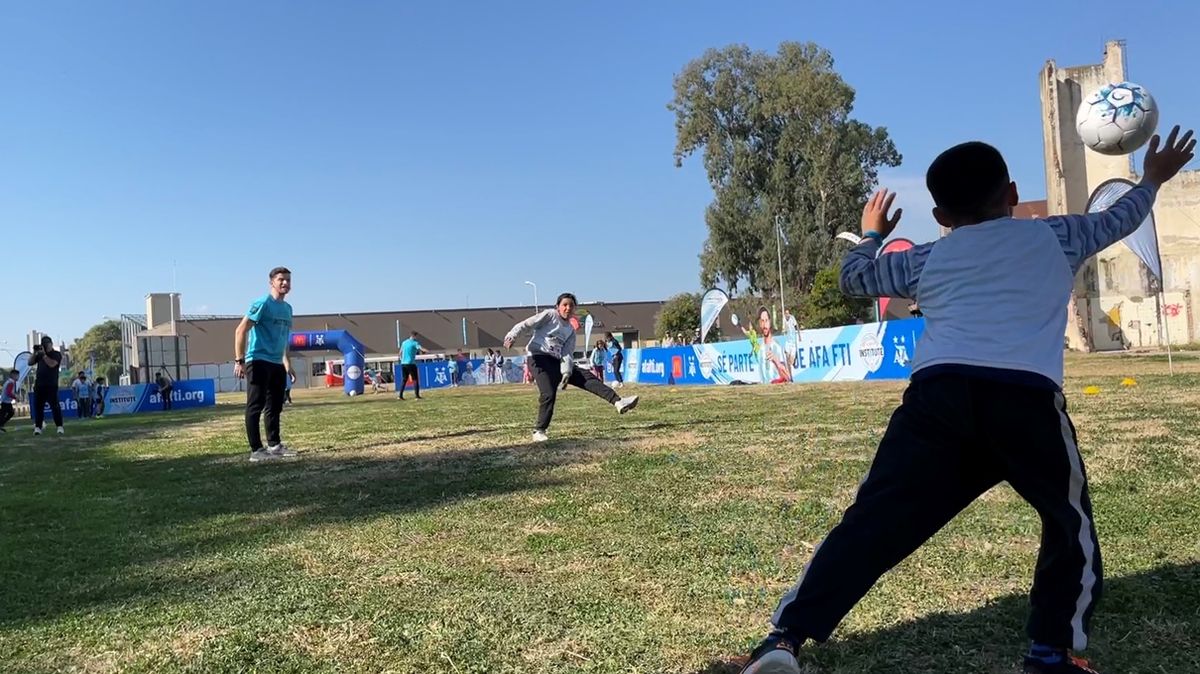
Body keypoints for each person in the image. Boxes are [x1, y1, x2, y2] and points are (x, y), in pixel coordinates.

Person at [736, 127, 1196, 674]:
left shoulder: (925, 259)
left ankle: (785, 638)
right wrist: (1151, 179)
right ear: (1012, 193)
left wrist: (871, 234)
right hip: (1025, 403)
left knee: (873, 522)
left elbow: (854, 278)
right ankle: (1050, 654)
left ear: (940, 216)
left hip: (938, 401)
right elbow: (1120, 218)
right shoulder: (1059, 235)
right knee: (1068, 525)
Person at [503, 292, 639, 442]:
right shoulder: (550, 315)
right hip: (538, 358)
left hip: (555, 361)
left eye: (571, 306)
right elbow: (526, 324)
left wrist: (567, 372)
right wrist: (511, 336)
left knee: (587, 377)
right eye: (564, 305)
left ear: (574, 309)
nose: (568, 308)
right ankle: (539, 431)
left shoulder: (570, 331)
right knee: (548, 392)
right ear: (558, 306)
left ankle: (618, 402)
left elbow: (567, 354)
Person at [234, 266, 296, 462]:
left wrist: (287, 363)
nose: (285, 283)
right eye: (281, 279)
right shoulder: (262, 303)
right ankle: (256, 450)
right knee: (256, 405)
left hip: (276, 363)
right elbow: (240, 330)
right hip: (258, 360)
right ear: (272, 282)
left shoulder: (287, 309)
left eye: (288, 280)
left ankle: (274, 445)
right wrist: (239, 360)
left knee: (275, 405)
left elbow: (284, 338)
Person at [28, 336, 64, 435]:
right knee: (38, 407)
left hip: (51, 384)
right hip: (39, 385)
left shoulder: (56, 354)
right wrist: (35, 353)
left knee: (55, 406)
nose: (46, 346)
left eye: (47, 344)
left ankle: (59, 426)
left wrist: (44, 355)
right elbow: (30, 362)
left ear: (51, 344)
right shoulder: (39, 355)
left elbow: (52, 364)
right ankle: (38, 427)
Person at [398, 331, 425, 400]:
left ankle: (400, 396)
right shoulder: (415, 343)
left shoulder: (404, 342)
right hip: (411, 363)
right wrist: (430, 352)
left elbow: (400, 352)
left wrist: (401, 359)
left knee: (404, 380)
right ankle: (417, 396)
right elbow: (421, 349)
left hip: (403, 363)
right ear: (415, 336)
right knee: (415, 379)